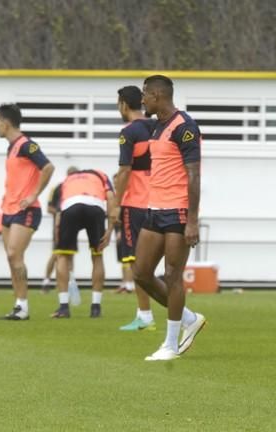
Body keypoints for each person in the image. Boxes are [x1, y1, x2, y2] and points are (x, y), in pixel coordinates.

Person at [134, 75, 206, 361]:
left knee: (172, 276)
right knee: (140, 272)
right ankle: (189, 318)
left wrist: (192, 220)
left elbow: (194, 175)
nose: (142, 101)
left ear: (156, 95)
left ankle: (171, 345)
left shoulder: (184, 127)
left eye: (144, 96)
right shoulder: (157, 127)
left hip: (177, 211)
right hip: (154, 209)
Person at [0, 103, 54, 320]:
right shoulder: (10, 147)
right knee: (11, 259)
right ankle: (19, 306)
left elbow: (48, 167)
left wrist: (33, 195)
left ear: (6, 122)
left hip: (26, 210)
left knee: (14, 254)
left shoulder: (26, 145)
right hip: (8, 210)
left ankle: (23, 308)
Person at [112, 86, 156, 330]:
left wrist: (116, 205)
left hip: (136, 202)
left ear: (123, 105)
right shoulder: (158, 126)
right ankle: (178, 315)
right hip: (160, 200)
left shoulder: (128, 132)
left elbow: (125, 170)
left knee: (135, 262)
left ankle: (145, 316)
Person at [52, 169, 115, 318]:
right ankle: (96, 307)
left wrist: (57, 231)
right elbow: (111, 198)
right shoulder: (101, 175)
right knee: (97, 255)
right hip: (95, 206)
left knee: (62, 256)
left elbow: (59, 211)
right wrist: (110, 229)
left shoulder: (67, 180)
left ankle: (63, 307)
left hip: (71, 206)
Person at [41, 166, 79, 294]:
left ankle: (69, 282)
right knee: (56, 254)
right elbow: (49, 208)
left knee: (71, 254)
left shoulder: (79, 189)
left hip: (74, 225)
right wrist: (62, 213)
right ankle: (46, 281)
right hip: (59, 225)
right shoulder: (58, 188)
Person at [112, 172, 135, 294]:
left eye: (117, 181)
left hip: (125, 230)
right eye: (114, 181)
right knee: (122, 259)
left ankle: (130, 285)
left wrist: (121, 231)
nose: (116, 183)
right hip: (118, 231)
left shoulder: (126, 196)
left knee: (128, 258)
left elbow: (125, 215)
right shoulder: (115, 196)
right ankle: (125, 283)